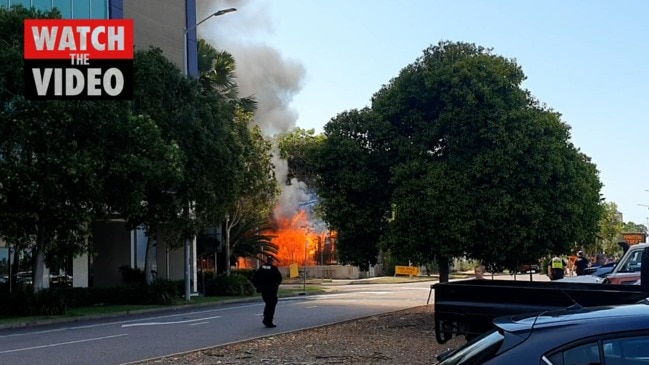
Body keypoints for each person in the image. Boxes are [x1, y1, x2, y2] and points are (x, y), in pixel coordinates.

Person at [251, 255, 283, 328]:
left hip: (263, 290)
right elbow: (279, 278)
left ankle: (266, 319)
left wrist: (258, 286)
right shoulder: (274, 268)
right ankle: (268, 321)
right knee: (271, 305)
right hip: (271, 290)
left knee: (268, 304)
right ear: (272, 261)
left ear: (266, 260)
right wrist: (276, 286)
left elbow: (254, 278)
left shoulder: (261, 268)